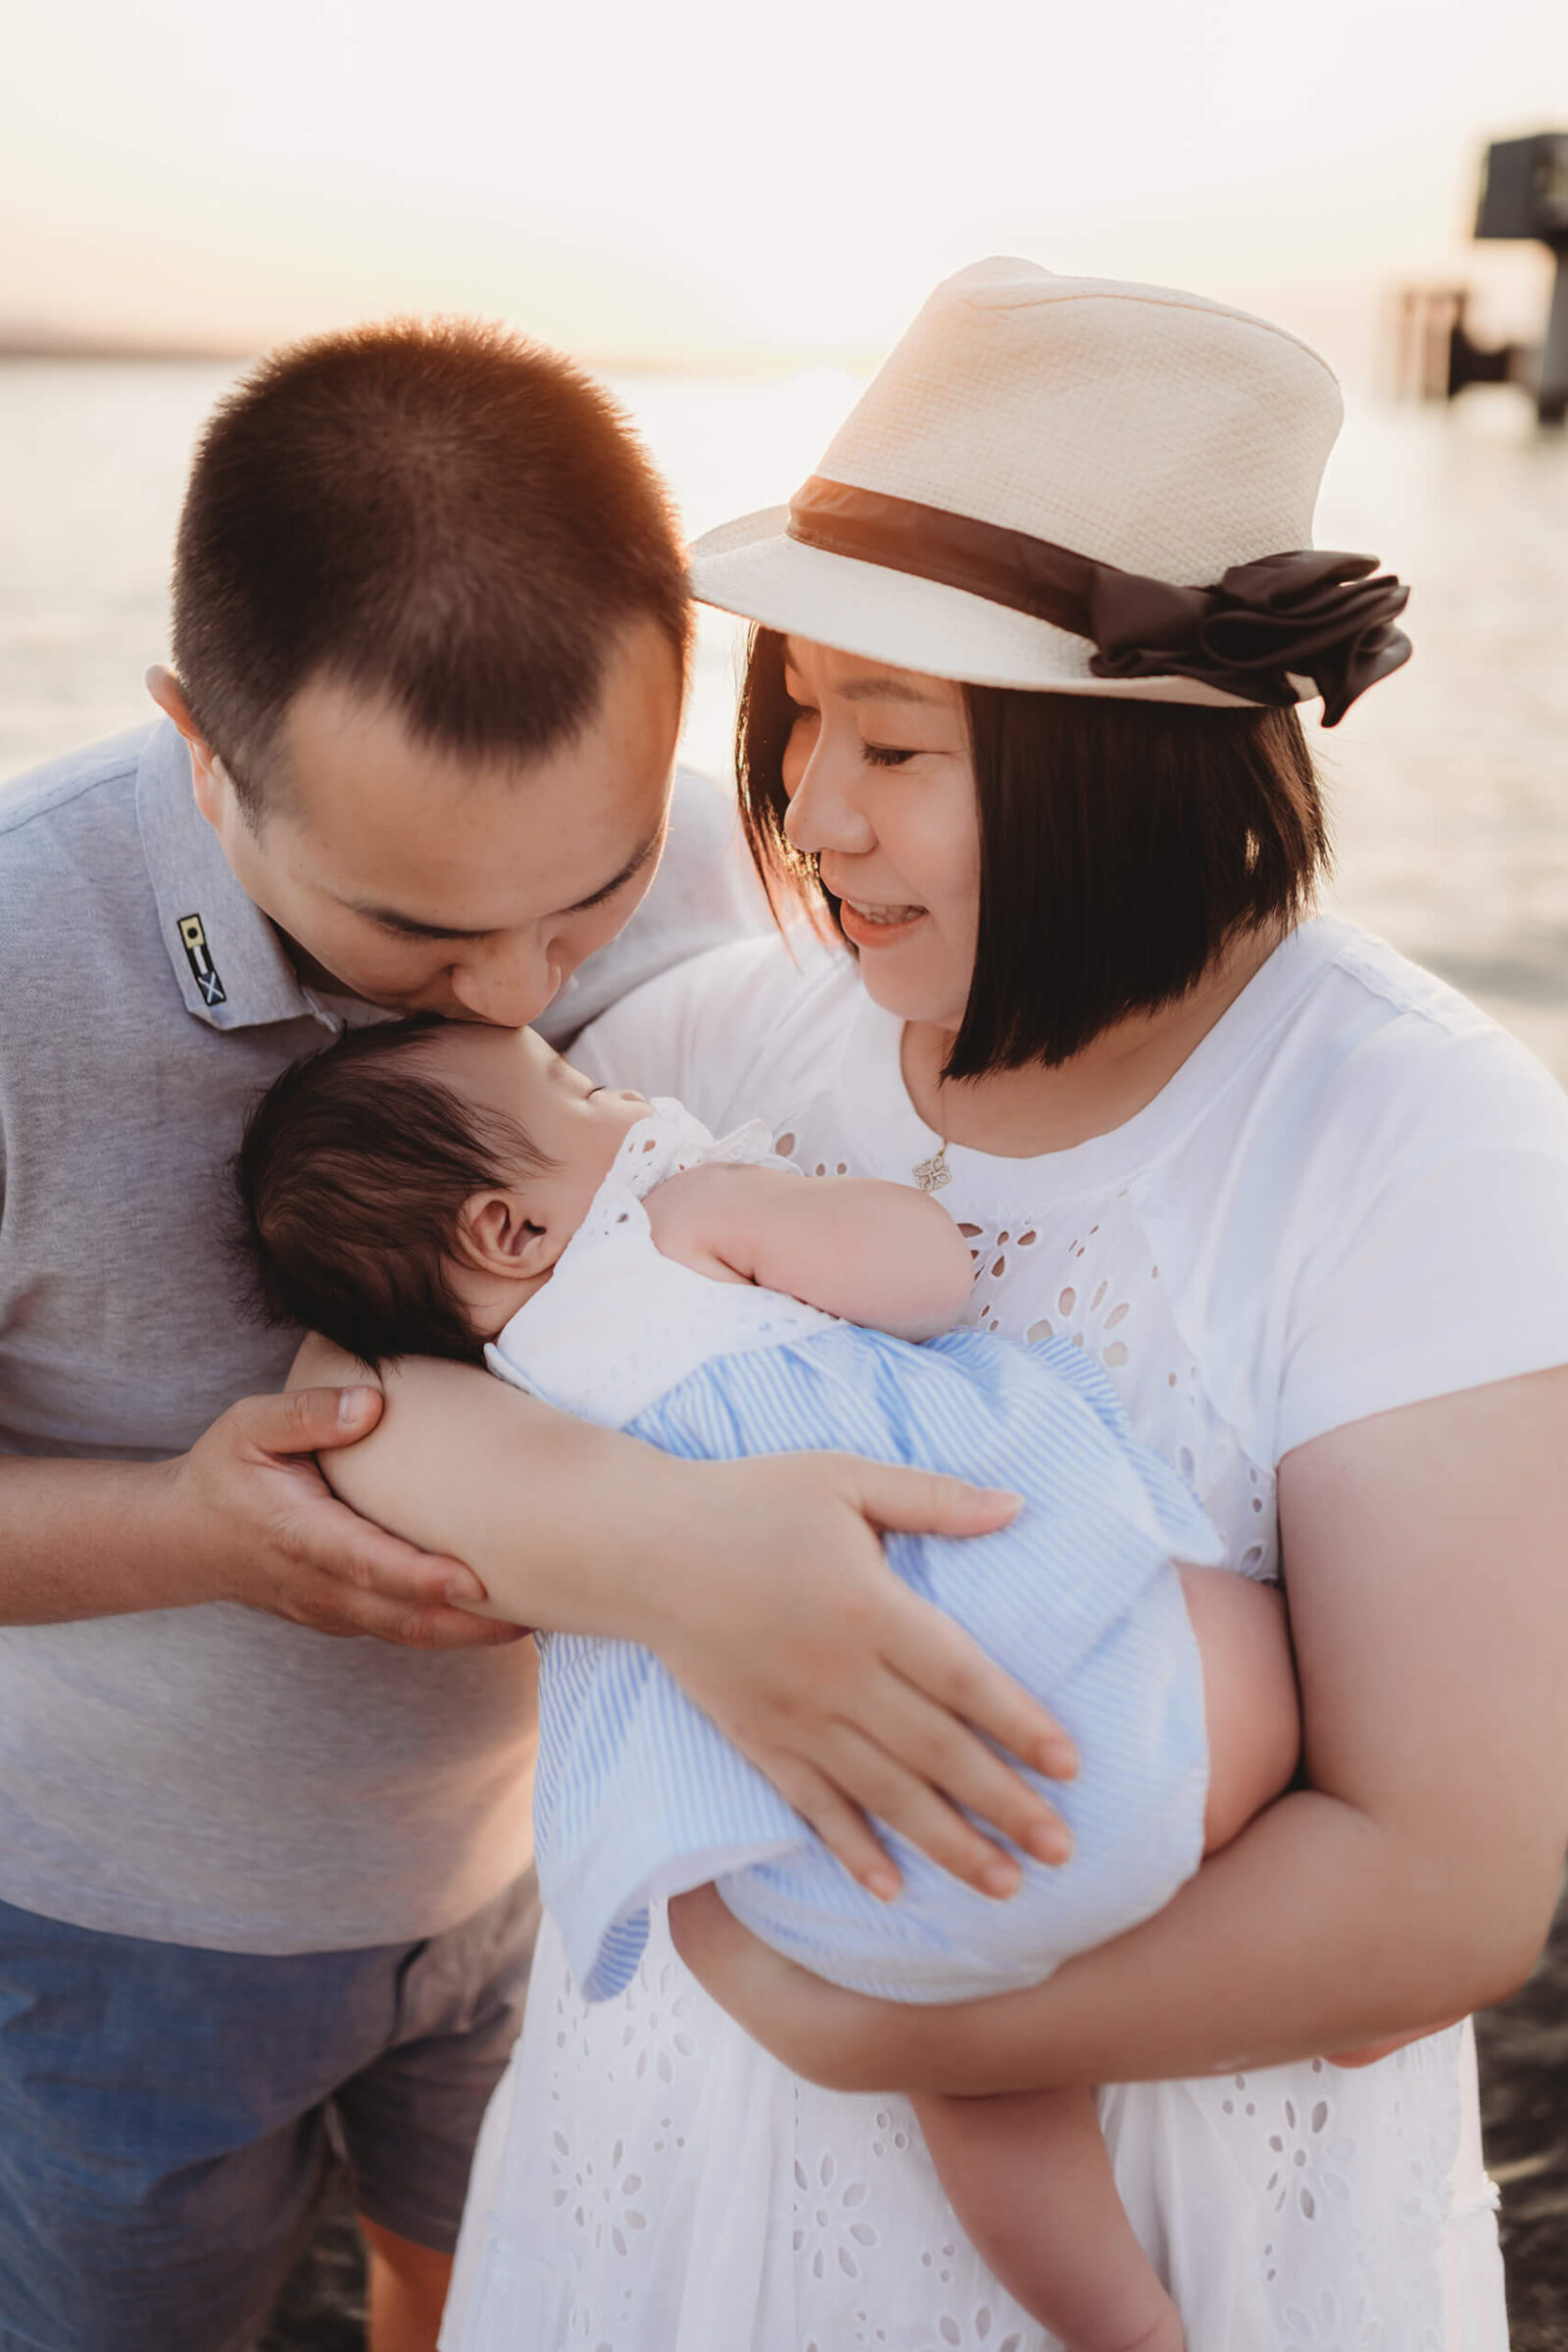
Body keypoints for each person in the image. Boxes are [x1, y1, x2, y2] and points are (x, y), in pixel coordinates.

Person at [310, 263, 1568, 2349]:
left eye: (892, 740)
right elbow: (369, 1371)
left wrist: (869, 2027)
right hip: (672, 2133)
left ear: (1124, 767)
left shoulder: (1407, 1140)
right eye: (798, 716)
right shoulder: (730, 1046)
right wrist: (677, 1560)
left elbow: (1443, 1884)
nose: (811, 812)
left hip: (1129, 2174)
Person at [0, 317, 1071, 2352]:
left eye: (579, 905)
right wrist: (195, 1531)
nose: (510, 994)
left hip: (543, 1882)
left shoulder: (701, 853)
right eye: (409, 930)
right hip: (117, 1933)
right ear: (200, 748)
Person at [236, 1009, 1302, 2348]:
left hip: (877, 1865)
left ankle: (1123, 2326)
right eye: (577, 1088)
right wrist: (765, 1196)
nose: (620, 1088)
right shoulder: (673, 1226)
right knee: (1243, 1633)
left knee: (979, 2092)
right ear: (508, 1229)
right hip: (1077, 1714)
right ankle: (1340, 1968)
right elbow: (923, 1277)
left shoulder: (515, 1400)